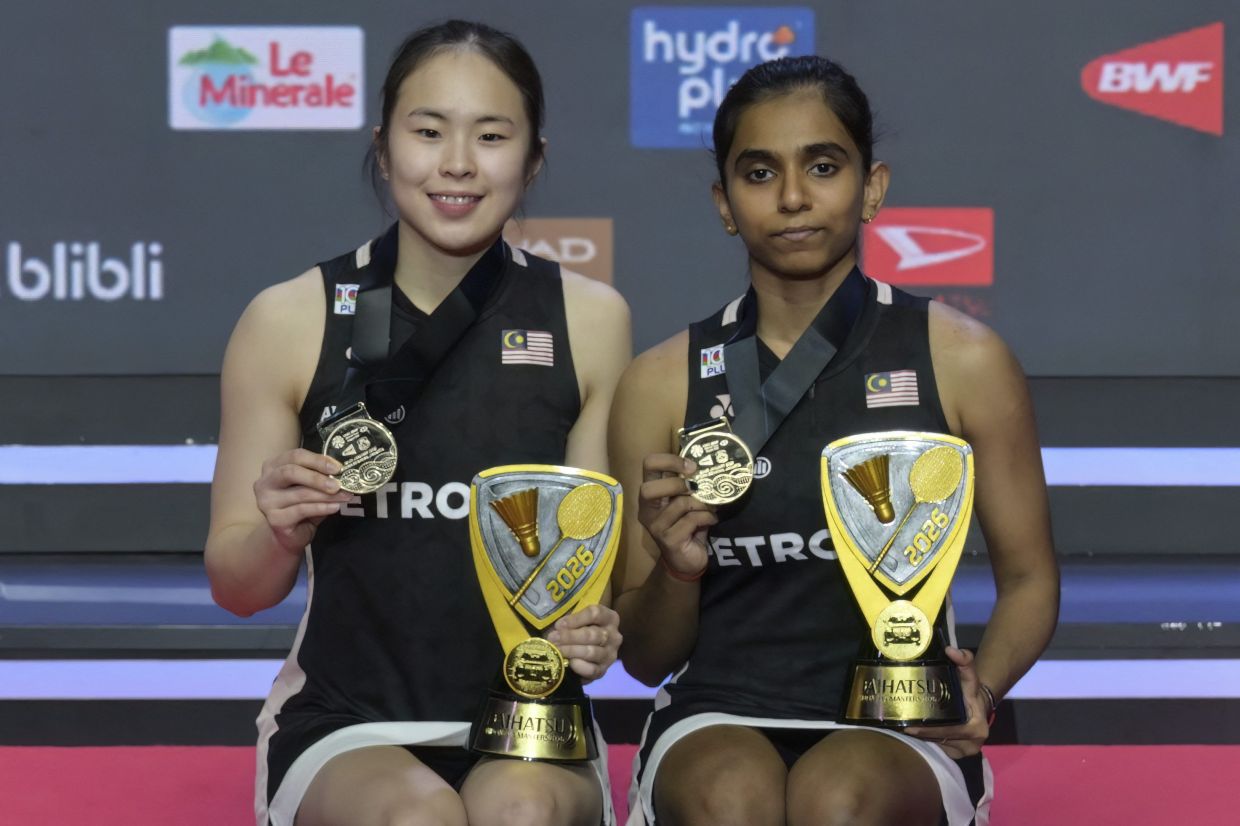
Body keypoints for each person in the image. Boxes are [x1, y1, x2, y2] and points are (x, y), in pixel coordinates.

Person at [609, 56, 1059, 826]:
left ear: (872, 187)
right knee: (731, 797)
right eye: (759, 173)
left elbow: (1029, 579)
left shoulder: (962, 359)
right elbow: (646, 658)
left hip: (901, 719)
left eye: (822, 166)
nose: (792, 197)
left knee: (837, 799)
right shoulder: (659, 382)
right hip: (715, 712)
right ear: (724, 204)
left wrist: (977, 693)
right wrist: (678, 571)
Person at [205, 20, 631, 826]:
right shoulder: (288, 319)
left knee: (521, 814)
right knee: (419, 818)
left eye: (492, 136)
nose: (458, 163)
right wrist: (281, 534)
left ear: (534, 159)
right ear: (383, 147)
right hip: (345, 722)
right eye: (428, 131)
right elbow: (236, 587)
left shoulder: (590, 319)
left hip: (528, 721)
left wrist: (596, 628)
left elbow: (591, 564)